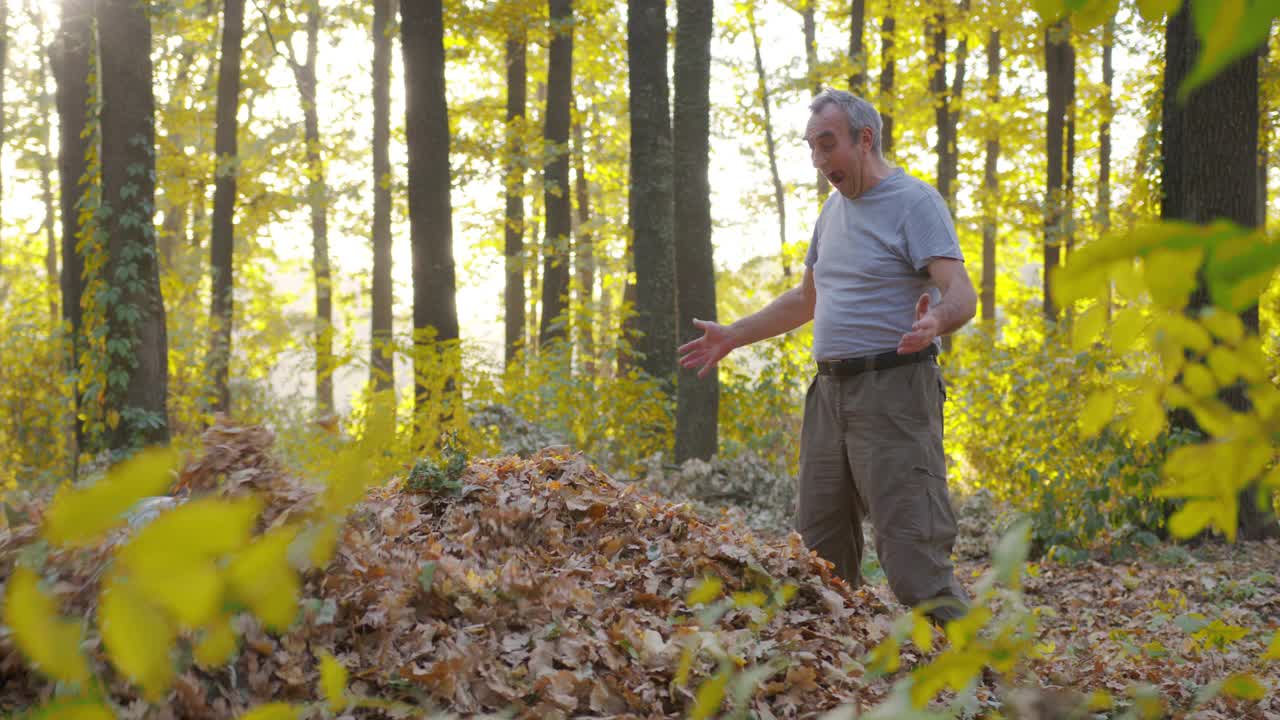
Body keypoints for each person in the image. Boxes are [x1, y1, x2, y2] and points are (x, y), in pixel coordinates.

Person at [677, 88, 977, 625]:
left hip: (894, 389)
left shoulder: (915, 203)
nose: (818, 161)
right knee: (818, 556)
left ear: (865, 139)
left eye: (827, 145)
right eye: (811, 148)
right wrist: (735, 335)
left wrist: (937, 320)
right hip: (829, 395)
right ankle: (841, 679)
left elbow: (960, 290)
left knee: (913, 559)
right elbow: (806, 300)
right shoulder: (832, 211)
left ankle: (979, 689)